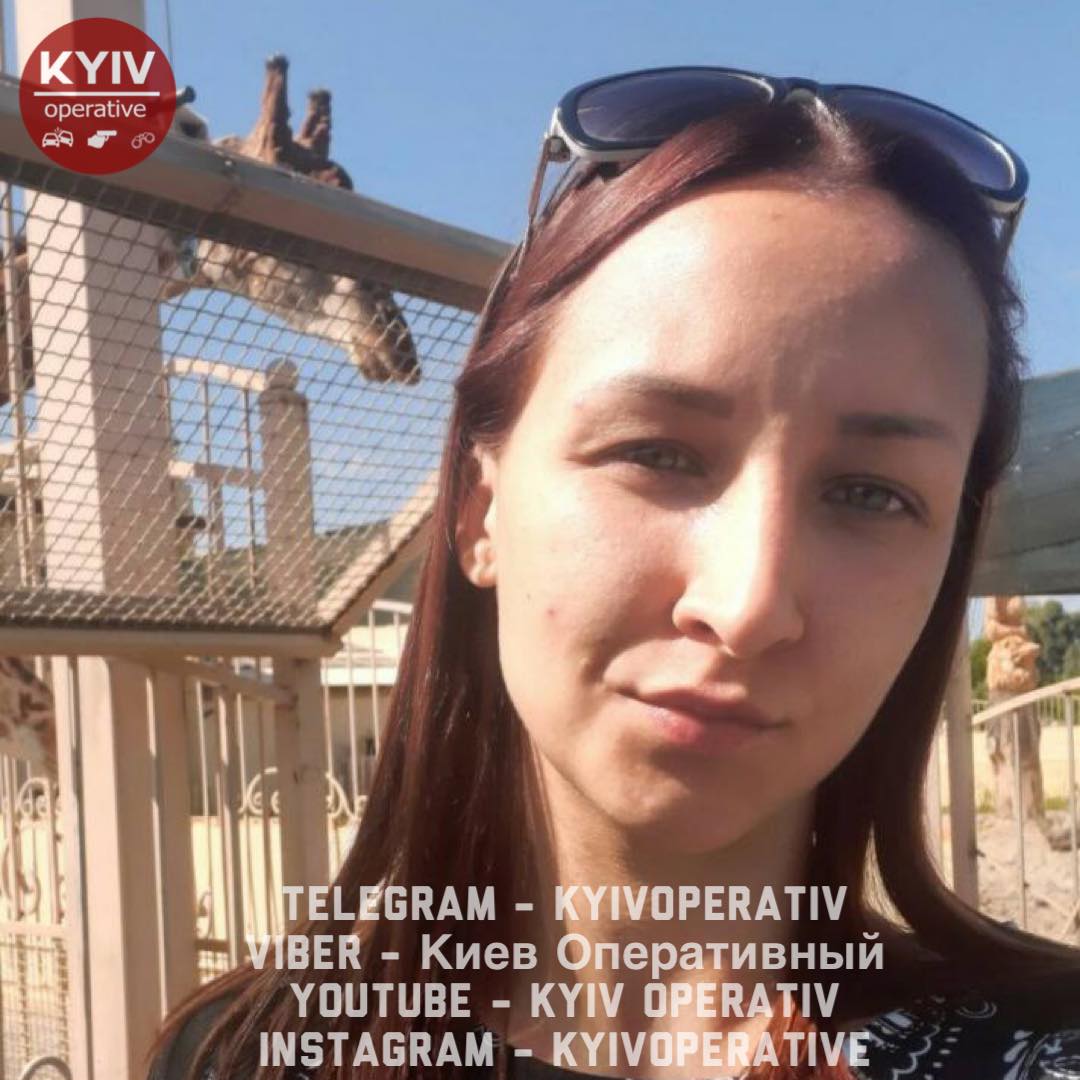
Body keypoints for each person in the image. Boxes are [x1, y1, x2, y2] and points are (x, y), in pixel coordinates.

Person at [148, 67, 1080, 1080]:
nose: (748, 604)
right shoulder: (252, 1057)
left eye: (870, 494)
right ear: (480, 510)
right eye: (657, 453)